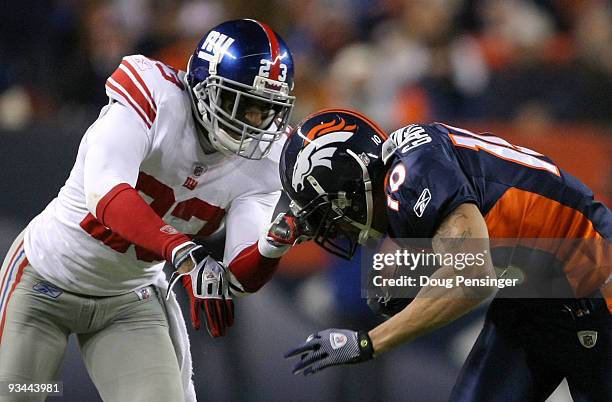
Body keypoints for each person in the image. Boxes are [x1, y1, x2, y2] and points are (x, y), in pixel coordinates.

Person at [0, 19, 297, 402]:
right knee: (18, 394)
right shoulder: (154, 97)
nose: (251, 123)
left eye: (264, 110)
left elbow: (238, 273)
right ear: (203, 86)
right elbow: (107, 194)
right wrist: (183, 253)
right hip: (45, 280)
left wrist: (273, 246)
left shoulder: (267, 160)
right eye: (240, 103)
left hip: (128, 301)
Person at [279, 109, 611, 401]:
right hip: (531, 297)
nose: (337, 230)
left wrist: (369, 342)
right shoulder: (406, 171)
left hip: (595, 284)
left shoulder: (412, 174)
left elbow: (472, 275)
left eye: (331, 215)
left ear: (352, 185)